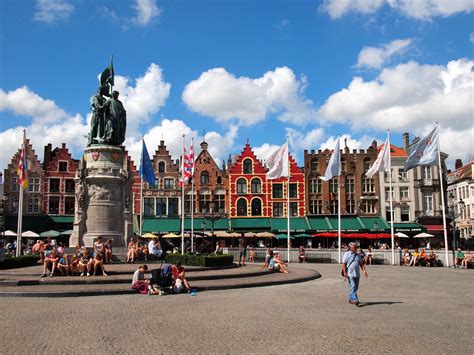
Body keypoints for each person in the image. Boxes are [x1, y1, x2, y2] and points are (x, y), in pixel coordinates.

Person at [342, 242, 368, 306]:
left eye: (356, 247)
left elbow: (361, 264)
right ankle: (355, 300)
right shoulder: (347, 254)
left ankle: (351, 299)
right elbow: (344, 264)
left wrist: (364, 271)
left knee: (355, 288)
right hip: (350, 274)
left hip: (357, 274)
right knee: (353, 286)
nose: (356, 248)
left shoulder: (358, 255)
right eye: (355, 247)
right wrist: (345, 272)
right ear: (351, 248)